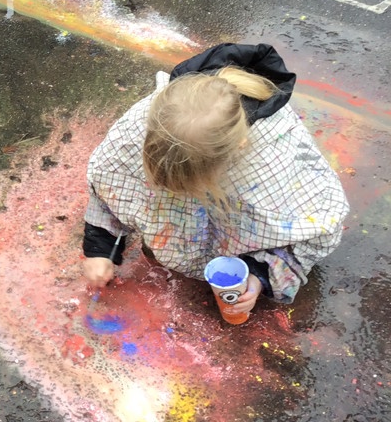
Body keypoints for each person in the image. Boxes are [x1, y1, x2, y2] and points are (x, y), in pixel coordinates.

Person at [82, 44, 348, 315]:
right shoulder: (144, 123)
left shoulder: (271, 154)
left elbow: (311, 232)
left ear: (238, 150)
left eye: (188, 187)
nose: (174, 194)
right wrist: (100, 249)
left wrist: (259, 276)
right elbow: (111, 182)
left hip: (237, 247)